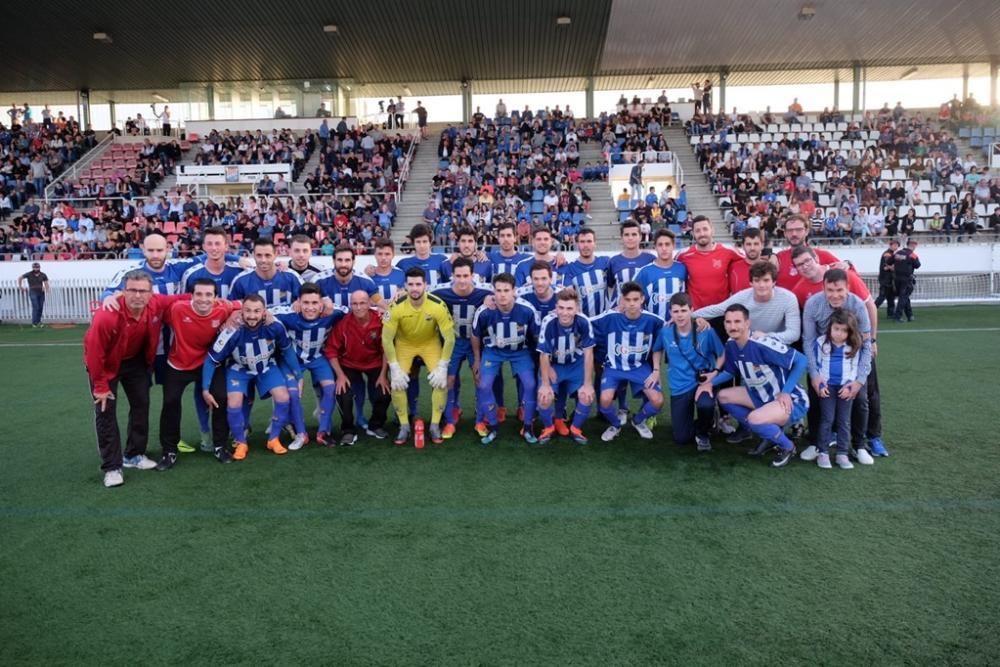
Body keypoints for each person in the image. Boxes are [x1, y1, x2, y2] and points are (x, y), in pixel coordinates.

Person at [84, 270, 187, 487]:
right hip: (105, 365)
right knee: (105, 411)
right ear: (123, 291)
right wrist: (101, 385)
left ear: (151, 293)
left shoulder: (156, 303)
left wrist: (232, 307)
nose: (138, 295)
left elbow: (184, 298)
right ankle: (112, 467)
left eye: (143, 291)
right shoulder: (107, 314)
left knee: (141, 404)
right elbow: (94, 351)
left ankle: (134, 455)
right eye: (132, 290)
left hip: (136, 362)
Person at [698, 304, 808, 468]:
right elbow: (730, 371)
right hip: (761, 395)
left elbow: (801, 360)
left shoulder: (762, 343)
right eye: (728, 322)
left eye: (737, 321)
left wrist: (786, 392)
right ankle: (768, 434)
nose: (733, 326)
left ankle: (788, 447)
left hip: (790, 399)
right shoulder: (731, 344)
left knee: (755, 419)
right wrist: (709, 383)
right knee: (723, 396)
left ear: (747, 323)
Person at [201, 295, 302, 460]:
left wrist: (298, 375)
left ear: (264, 312)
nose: (252, 315)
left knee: (283, 397)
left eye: (257, 311)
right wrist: (205, 388)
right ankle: (241, 442)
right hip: (239, 369)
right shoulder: (232, 330)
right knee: (234, 401)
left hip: (266, 367)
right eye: (247, 310)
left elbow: (287, 350)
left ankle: (273, 439)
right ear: (241, 311)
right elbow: (211, 361)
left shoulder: (274, 326)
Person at [156, 278, 240, 470]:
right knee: (170, 402)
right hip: (179, 364)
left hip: (209, 363)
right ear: (191, 296)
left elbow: (244, 304)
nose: (204, 299)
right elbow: (154, 306)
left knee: (220, 397)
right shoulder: (178, 309)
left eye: (209, 294)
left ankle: (220, 446)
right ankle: (169, 450)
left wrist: (233, 314)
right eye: (199, 294)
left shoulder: (222, 308)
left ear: (216, 297)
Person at [801, 269, 875, 465]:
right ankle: (817, 444)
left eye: (839, 290)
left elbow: (866, 343)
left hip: (851, 360)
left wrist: (859, 381)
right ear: (823, 288)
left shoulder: (857, 305)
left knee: (860, 399)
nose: (834, 295)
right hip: (823, 360)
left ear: (848, 288)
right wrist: (814, 375)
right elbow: (808, 341)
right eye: (830, 290)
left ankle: (858, 445)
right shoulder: (813, 304)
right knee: (816, 399)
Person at [382, 268, 455, 446]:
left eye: (418, 284)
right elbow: (386, 337)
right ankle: (404, 425)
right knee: (397, 382)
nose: (414, 288)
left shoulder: (437, 304)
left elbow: (450, 337)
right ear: (405, 286)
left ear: (425, 285)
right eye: (411, 284)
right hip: (404, 344)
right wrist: (393, 366)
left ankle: (435, 425)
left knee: (441, 381)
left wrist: (443, 365)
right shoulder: (396, 305)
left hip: (430, 343)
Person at [269, 283, 347, 448]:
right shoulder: (287, 313)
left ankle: (323, 432)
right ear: (298, 302)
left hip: (318, 357)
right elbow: (259, 312)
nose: (310, 307)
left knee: (330, 388)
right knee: (293, 392)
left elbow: (359, 309)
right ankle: (301, 433)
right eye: (305, 303)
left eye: (314, 303)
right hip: (293, 359)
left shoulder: (333, 312)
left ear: (321, 304)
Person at [589, 281, 664, 442]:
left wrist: (656, 370)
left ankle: (638, 420)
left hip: (639, 367)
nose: (631, 304)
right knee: (605, 400)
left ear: (642, 299)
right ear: (622, 300)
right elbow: (585, 321)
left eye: (635, 299)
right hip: (614, 367)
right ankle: (615, 425)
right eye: (628, 300)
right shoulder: (610, 317)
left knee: (658, 401)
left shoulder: (654, 320)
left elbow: (671, 329)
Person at [471, 273, 541, 445]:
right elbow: (475, 335)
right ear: (493, 291)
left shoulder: (526, 309)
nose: (502, 294)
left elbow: (538, 336)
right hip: (493, 351)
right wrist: (477, 360)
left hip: (520, 351)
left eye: (506, 290)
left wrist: (539, 361)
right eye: (498, 290)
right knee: (484, 385)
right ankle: (493, 427)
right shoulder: (485, 311)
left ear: (514, 291)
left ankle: (528, 427)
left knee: (530, 384)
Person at [432, 258, 494, 439]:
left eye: (465, 275)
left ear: (472, 275)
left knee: (479, 379)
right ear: (452, 276)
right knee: (449, 380)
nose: (462, 280)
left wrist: (493, 297)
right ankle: (450, 421)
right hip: (453, 342)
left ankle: (480, 420)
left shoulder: (485, 292)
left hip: (476, 342)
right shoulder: (441, 292)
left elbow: (507, 293)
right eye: (458, 276)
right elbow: (420, 293)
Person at [655, 293, 724, 450]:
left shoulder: (705, 330)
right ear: (670, 313)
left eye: (684, 310)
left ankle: (703, 432)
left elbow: (722, 354)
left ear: (692, 310)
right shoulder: (665, 332)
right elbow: (656, 350)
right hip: (679, 385)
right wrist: (656, 369)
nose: (680, 315)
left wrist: (715, 372)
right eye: (676, 311)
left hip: (704, 382)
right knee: (681, 438)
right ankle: (707, 422)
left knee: (705, 405)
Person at [325, 290, 392, 443]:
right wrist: (340, 376)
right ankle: (347, 429)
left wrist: (383, 375)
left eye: (362, 303)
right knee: (343, 393)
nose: (358, 307)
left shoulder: (380, 321)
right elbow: (331, 350)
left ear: (369, 304)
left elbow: (386, 349)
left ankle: (375, 425)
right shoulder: (343, 324)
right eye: (354, 304)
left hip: (374, 363)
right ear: (350, 305)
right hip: (349, 363)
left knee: (384, 392)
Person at [536, 289, 595, 445]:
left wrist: (588, 384)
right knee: (544, 396)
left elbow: (589, 353)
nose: (564, 312)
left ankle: (575, 428)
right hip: (554, 364)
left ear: (576, 308)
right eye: (561, 308)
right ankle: (548, 428)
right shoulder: (548, 321)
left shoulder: (583, 321)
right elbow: (543, 354)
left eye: (569, 308)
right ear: (556, 307)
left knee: (587, 395)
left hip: (575, 365)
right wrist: (545, 383)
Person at [693, 261, 800, 346]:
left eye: (766, 280)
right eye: (757, 280)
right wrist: (693, 316)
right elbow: (717, 309)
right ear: (750, 283)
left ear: (774, 282)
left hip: (778, 345)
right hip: (750, 344)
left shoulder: (788, 298)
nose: (761, 285)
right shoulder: (743, 297)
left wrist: (767, 336)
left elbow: (794, 334)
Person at [811, 310, 865, 470]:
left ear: (850, 331)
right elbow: (816, 365)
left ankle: (842, 453)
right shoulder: (821, 342)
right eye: (836, 329)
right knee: (827, 419)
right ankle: (823, 452)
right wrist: (820, 385)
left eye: (844, 330)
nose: (839, 334)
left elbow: (855, 368)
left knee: (843, 421)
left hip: (845, 389)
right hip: (828, 388)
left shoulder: (853, 345)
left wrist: (850, 385)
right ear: (830, 328)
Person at [677, 216, 742, 312]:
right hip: (697, 313)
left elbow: (748, 260)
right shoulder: (683, 255)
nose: (702, 234)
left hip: (721, 312)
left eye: (705, 229)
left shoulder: (728, 251)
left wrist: (772, 256)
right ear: (693, 234)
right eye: (697, 231)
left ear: (712, 230)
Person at [775, 214, 842, 290]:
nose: (794, 234)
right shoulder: (778, 258)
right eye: (790, 230)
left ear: (806, 231)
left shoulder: (823, 255)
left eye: (798, 230)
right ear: (785, 234)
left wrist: (848, 263)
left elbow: (847, 273)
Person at [229, 238, 303, 307]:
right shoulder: (241, 280)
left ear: (275, 255)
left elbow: (308, 302)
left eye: (267, 255)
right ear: (253, 255)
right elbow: (231, 309)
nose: (263, 260)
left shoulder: (292, 277)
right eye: (259, 255)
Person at [634, 228, 687, 321]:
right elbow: (635, 301)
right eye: (660, 245)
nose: (664, 248)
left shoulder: (682, 268)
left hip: (679, 327)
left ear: (673, 245)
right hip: (654, 328)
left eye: (667, 244)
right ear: (655, 247)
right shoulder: (645, 272)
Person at [559, 228, 611, 318]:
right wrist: (558, 254)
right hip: (583, 322)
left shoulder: (605, 262)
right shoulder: (570, 269)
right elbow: (570, 297)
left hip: (605, 321)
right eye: (582, 242)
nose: (585, 245)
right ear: (577, 244)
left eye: (589, 241)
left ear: (595, 244)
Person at [314, 244, 380, 310]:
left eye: (347, 260)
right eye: (340, 260)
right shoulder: (318, 281)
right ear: (334, 261)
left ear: (353, 262)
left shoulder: (367, 282)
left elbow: (380, 307)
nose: (343, 264)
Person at [608, 220, 654, 304]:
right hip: (620, 314)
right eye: (626, 235)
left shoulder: (651, 260)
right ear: (621, 237)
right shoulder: (614, 261)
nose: (630, 238)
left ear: (640, 237)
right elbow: (610, 287)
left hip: (644, 312)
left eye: (634, 234)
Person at [892, 239, 921, 322]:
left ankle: (909, 315)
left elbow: (889, 261)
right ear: (913, 246)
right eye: (915, 245)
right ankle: (897, 316)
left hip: (897, 279)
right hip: (906, 279)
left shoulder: (897, 253)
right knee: (903, 297)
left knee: (904, 297)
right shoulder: (912, 255)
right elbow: (917, 265)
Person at [874, 239, 900, 318]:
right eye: (894, 245)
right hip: (885, 279)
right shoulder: (887, 254)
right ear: (890, 245)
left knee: (891, 297)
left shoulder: (892, 254)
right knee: (882, 297)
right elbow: (886, 267)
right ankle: (870, 311)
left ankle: (890, 314)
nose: (895, 246)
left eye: (897, 245)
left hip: (889, 280)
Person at [18, 261, 49, 327]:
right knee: (36, 307)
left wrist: (46, 289)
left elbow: (46, 283)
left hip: (41, 292)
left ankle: (38, 321)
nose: (36, 269)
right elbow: (20, 278)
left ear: (39, 268)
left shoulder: (43, 275)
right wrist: (20, 287)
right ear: (32, 268)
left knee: (40, 307)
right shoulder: (29, 274)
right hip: (33, 292)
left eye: (37, 267)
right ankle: (34, 323)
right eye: (34, 268)